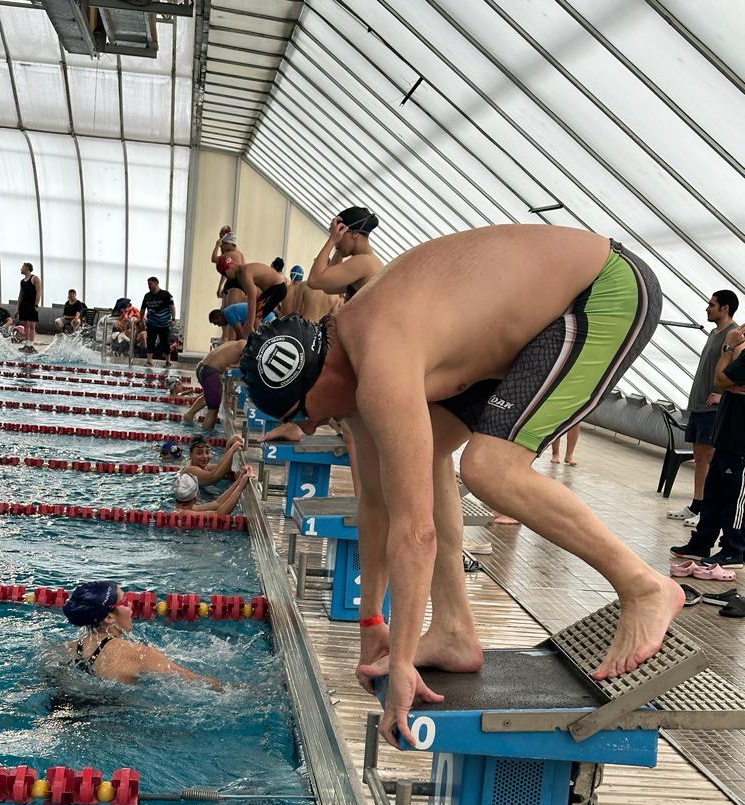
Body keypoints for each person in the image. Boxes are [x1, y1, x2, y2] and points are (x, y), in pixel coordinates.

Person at [240, 224, 680, 748]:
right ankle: (453, 629)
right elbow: (376, 502)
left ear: (318, 376)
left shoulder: (380, 358)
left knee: (491, 467)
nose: (311, 427)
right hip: (531, 318)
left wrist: (401, 665)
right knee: (424, 453)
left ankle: (644, 586)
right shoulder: (350, 356)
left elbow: (415, 532)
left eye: (301, 414)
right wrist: (372, 621)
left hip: (603, 290)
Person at [671, 320, 745, 569]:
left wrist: (728, 348)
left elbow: (721, 380)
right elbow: (726, 383)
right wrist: (730, 385)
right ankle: (702, 542)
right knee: (713, 492)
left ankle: (734, 549)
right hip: (726, 435)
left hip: (740, 441)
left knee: (734, 498)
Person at [62, 581, 220, 689]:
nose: (131, 605)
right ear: (109, 617)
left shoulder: (66, 649)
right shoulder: (140, 654)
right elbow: (199, 684)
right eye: (125, 602)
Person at [668, 290, 739, 527]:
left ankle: (706, 510)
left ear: (725, 308)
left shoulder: (734, 336)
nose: (707, 309)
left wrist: (722, 395)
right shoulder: (713, 333)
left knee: (708, 459)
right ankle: (697, 505)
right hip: (699, 406)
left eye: (712, 305)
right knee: (700, 458)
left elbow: (736, 372)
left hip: (713, 411)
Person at [306, 207, 383, 301]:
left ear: (355, 233)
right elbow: (328, 287)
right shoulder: (371, 260)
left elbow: (314, 280)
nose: (337, 242)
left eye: (340, 234)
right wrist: (339, 248)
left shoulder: (364, 262)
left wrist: (332, 240)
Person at [183, 337, 247, 431]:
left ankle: (189, 415)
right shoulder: (245, 345)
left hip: (202, 367)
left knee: (209, 396)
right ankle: (206, 435)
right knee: (213, 409)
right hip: (211, 371)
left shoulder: (236, 343)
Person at [217, 257, 287, 337]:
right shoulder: (242, 271)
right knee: (255, 317)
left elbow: (252, 299)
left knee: (256, 318)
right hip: (275, 289)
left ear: (228, 270)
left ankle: (260, 341)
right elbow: (256, 295)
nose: (227, 277)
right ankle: (260, 339)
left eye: (224, 275)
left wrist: (249, 324)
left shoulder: (244, 273)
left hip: (277, 288)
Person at [173, 468, 253, 518]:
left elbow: (217, 503)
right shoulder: (185, 513)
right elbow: (220, 515)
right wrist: (240, 488)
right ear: (196, 496)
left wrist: (239, 481)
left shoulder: (186, 509)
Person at [181, 434, 245, 486]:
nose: (205, 456)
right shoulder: (190, 470)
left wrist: (231, 442)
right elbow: (213, 476)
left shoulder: (204, 466)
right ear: (191, 454)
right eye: (199, 453)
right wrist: (232, 449)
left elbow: (224, 468)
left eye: (207, 452)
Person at [139, 277, 176, 368]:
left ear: (156, 283)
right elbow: (143, 309)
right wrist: (140, 320)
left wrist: (173, 319)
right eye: (148, 284)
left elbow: (172, 307)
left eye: (150, 284)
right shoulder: (147, 296)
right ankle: (149, 361)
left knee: (164, 342)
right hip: (151, 324)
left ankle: (168, 362)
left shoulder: (165, 294)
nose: (149, 286)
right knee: (150, 342)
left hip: (164, 324)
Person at [17, 262, 42, 343]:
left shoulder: (35, 278)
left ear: (27, 268)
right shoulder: (22, 281)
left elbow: (38, 292)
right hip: (23, 305)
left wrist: (36, 305)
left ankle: (31, 344)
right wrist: (18, 308)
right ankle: (26, 344)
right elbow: (20, 295)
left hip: (32, 305)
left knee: (31, 325)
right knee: (26, 325)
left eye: (22, 267)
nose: (21, 269)